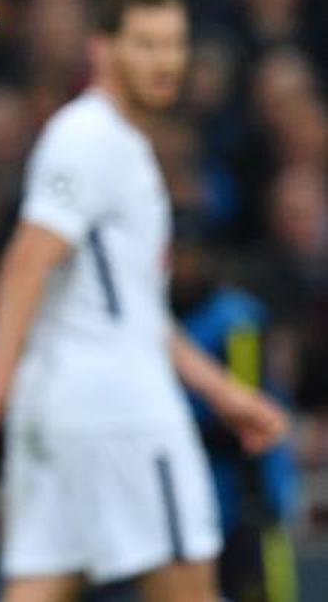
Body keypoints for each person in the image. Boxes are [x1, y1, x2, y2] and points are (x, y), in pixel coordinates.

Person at [0, 0, 287, 602]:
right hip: (124, 415)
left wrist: (224, 394)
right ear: (101, 48)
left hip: (58, 413)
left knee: (39, 587)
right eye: (145, 44)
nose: (164, 62)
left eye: (173, 45)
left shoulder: (117, 142)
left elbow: (137, 311)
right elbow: (26, 261)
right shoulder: (89, 138)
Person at [171, 213, 299, 602]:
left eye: (192, 255)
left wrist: (257, 500)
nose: (184, 266)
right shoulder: (149, 318)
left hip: (246, 495)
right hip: (185, 495)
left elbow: (246, 407)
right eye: (176, 256)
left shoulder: (237, 319)